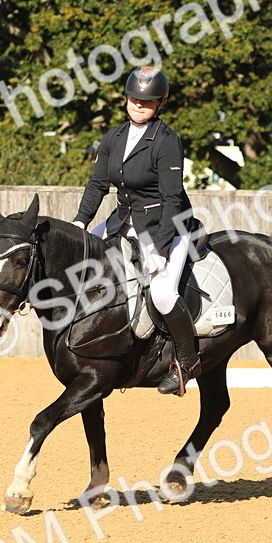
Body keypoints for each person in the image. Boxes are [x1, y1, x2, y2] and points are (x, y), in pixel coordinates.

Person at [72, 66, 200, 396]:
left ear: (160, 104)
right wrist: (80, 222)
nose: (139, 104)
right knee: (81, 262)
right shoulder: (114, 137)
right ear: (126, 98)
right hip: (123, 220)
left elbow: (171, 198)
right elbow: (98, 183)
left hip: (168, 227)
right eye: (134, 98)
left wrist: (158, 248)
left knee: (161, 293)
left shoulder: (168, 141)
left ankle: (188, 362)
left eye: (148, 101)